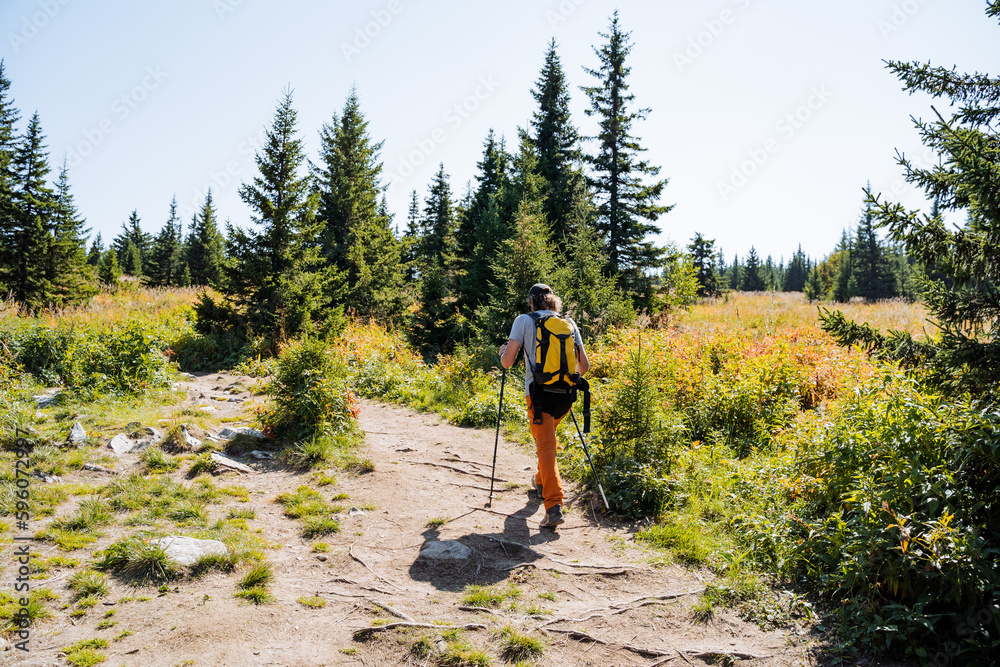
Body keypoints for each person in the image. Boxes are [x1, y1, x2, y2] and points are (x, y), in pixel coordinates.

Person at [499, 283, 589, 528]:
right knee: (547, 442)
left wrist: (502, 352)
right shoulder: (568, 323)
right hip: (566, 395)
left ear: (531, 302)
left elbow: (507, 363)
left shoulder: (524, 320)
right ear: (553, 302)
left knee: (546, 446)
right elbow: (584, 367)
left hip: (539, 395)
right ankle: (540, 481)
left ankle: (554, 506)